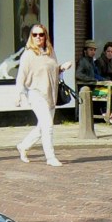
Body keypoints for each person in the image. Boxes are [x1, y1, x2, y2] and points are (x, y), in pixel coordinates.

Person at [15, 24, 73, 168]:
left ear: (45, 36)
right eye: (34, 35)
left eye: (41, 34)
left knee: (42, 127)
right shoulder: (28, 55)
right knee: (48, 125)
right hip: (35, 93)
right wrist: (19, 94)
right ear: (31, 37)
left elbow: (52, 71)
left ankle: (23, 146)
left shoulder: (50, 52)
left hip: (50, 94)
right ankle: (50, 157)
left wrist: (61, 68)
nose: (38, 37)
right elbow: (21, 76)